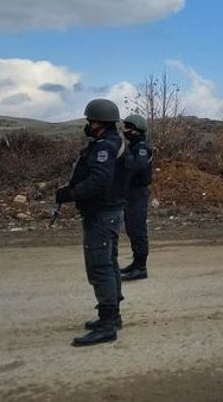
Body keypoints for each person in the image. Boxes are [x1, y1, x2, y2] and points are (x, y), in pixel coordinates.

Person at [55, 98, 129, 347]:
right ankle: (112, 317)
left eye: (90, 120)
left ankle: (107, 325)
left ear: (100, 122)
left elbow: (99, 181)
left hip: (102, 214)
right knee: (109, 264)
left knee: (100, 268)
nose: (87, 124)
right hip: (110, 211)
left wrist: (69, 193)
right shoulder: (112, 142)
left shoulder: (103, 147)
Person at [119, 114, 153, 281]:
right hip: (131, 192)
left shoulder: (141, 147)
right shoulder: (134, 145)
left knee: (137, 230)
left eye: (129, 127)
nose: (125, 130)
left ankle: (140, 267)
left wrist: (124, 162)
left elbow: (138, 167)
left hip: (137, 193)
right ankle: (136, 263)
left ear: (137, 129)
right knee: (132, 229)